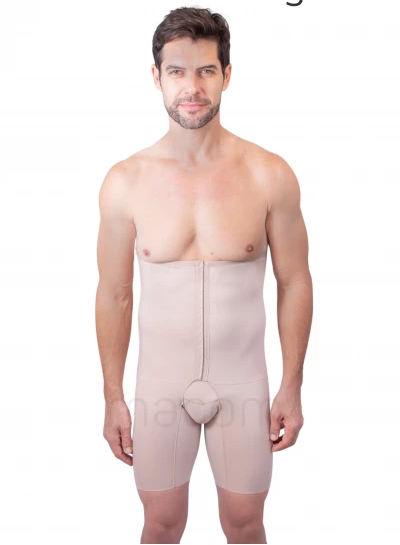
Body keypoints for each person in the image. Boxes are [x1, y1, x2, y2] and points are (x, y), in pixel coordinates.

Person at [95, 6, 313, 544]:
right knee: (161, 525)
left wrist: (291, 386)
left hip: (244, 387)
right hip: (158, 388)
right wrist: (113, 396)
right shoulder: (125, 181)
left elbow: (295, 282)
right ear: (156, 77)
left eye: (206, 71)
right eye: (177, 71)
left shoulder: (269, 174)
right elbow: (115, 293)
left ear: (226, 75)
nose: (191, 87)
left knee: (245, 525)